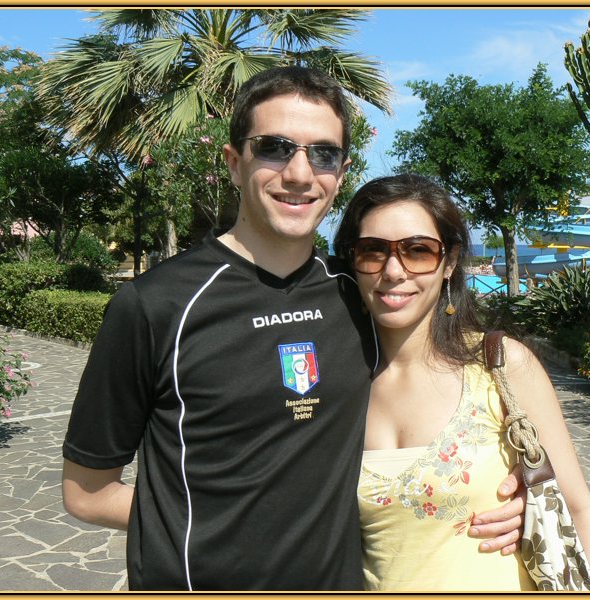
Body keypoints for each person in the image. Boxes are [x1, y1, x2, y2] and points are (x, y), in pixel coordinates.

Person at [61, 67, 524, 591]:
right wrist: (215, 530)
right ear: (234, 163)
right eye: (275, 148)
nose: (300, 173)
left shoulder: (357, 295)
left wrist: (502, 490)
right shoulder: (156, 305)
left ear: (341, 173)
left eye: (323, 154)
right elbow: (86, 494)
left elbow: (428, 389)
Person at [334, 174, 590, 591]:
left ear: (450, 261)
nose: (394, 271)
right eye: (373, 250)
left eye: (418, 250)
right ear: (352, 260)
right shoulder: (334, 384)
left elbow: (578, 509)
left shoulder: (501, 365)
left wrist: (532, 504)